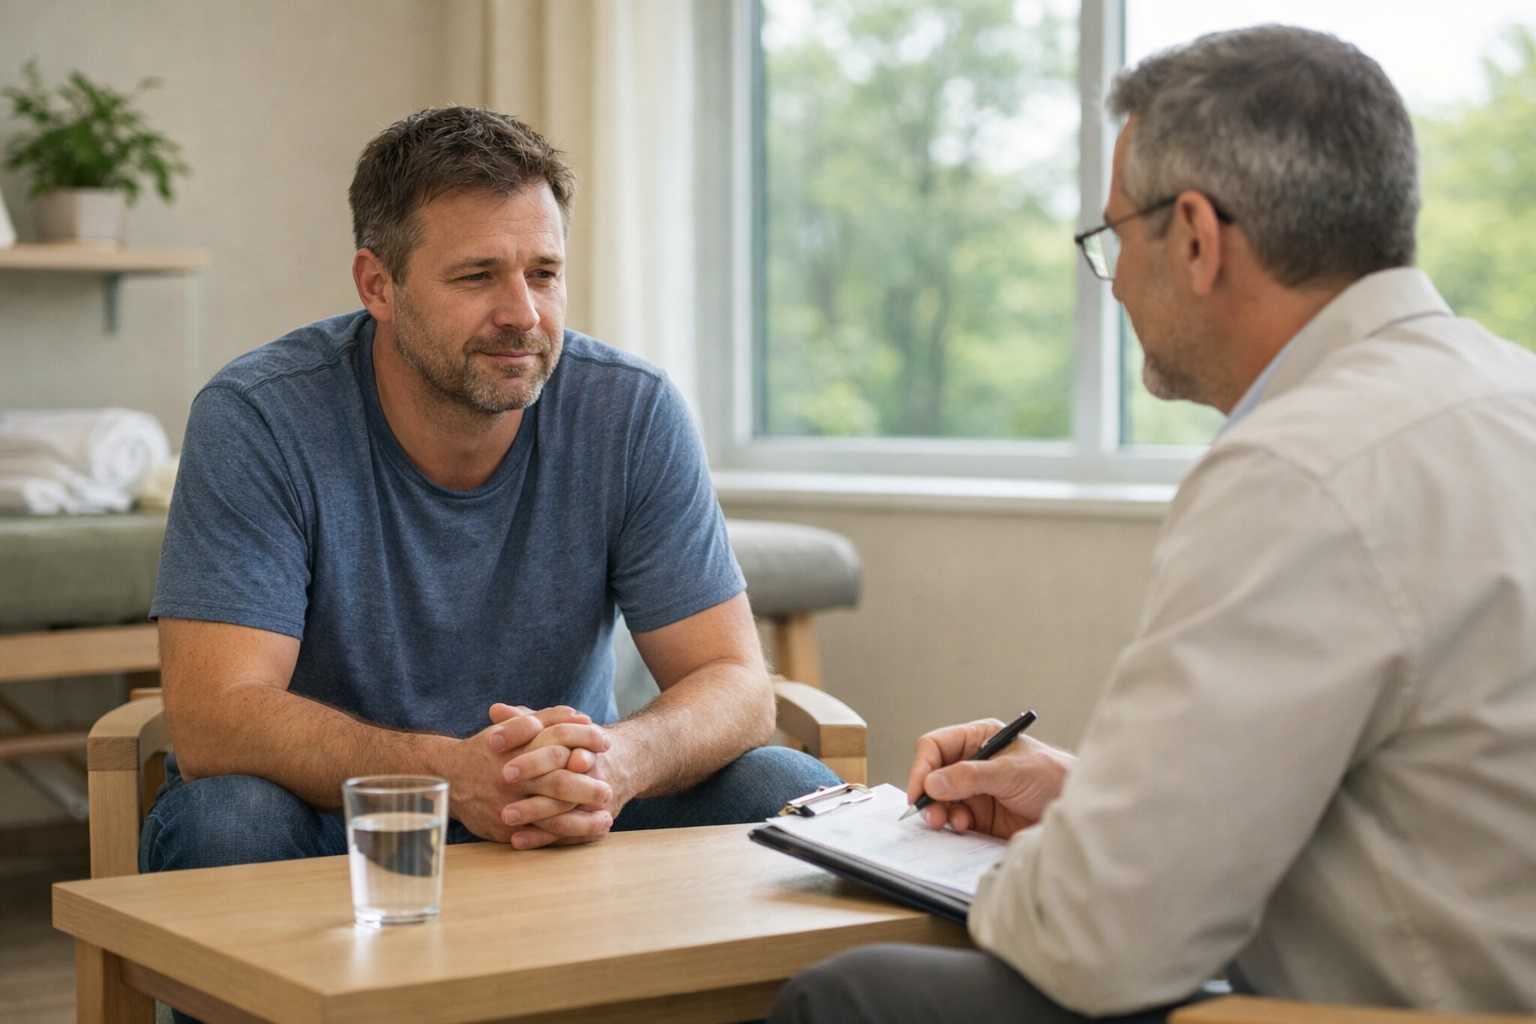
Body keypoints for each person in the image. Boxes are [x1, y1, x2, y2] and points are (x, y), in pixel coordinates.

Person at [771, 24, 1536, 1023]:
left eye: (1114, 237)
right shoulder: (1504, 395)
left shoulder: (1300, 470)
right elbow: (1416, 784)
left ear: (1196, 237)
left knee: (854, 996)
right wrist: (1091, 799)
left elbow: (1097, 941)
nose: (1119, 281)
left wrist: (1046, 863)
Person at [141, 106, 838, 877]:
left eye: (544, 273)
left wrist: (619, 763)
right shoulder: (260, 417)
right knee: (227, 824)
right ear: (379, 284)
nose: (523, 315)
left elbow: (738, 686)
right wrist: (448, 775)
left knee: (788, 789)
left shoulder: (631, 410)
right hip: (338, 814)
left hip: (567, 808)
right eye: (478, 276)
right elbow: (215, 718)